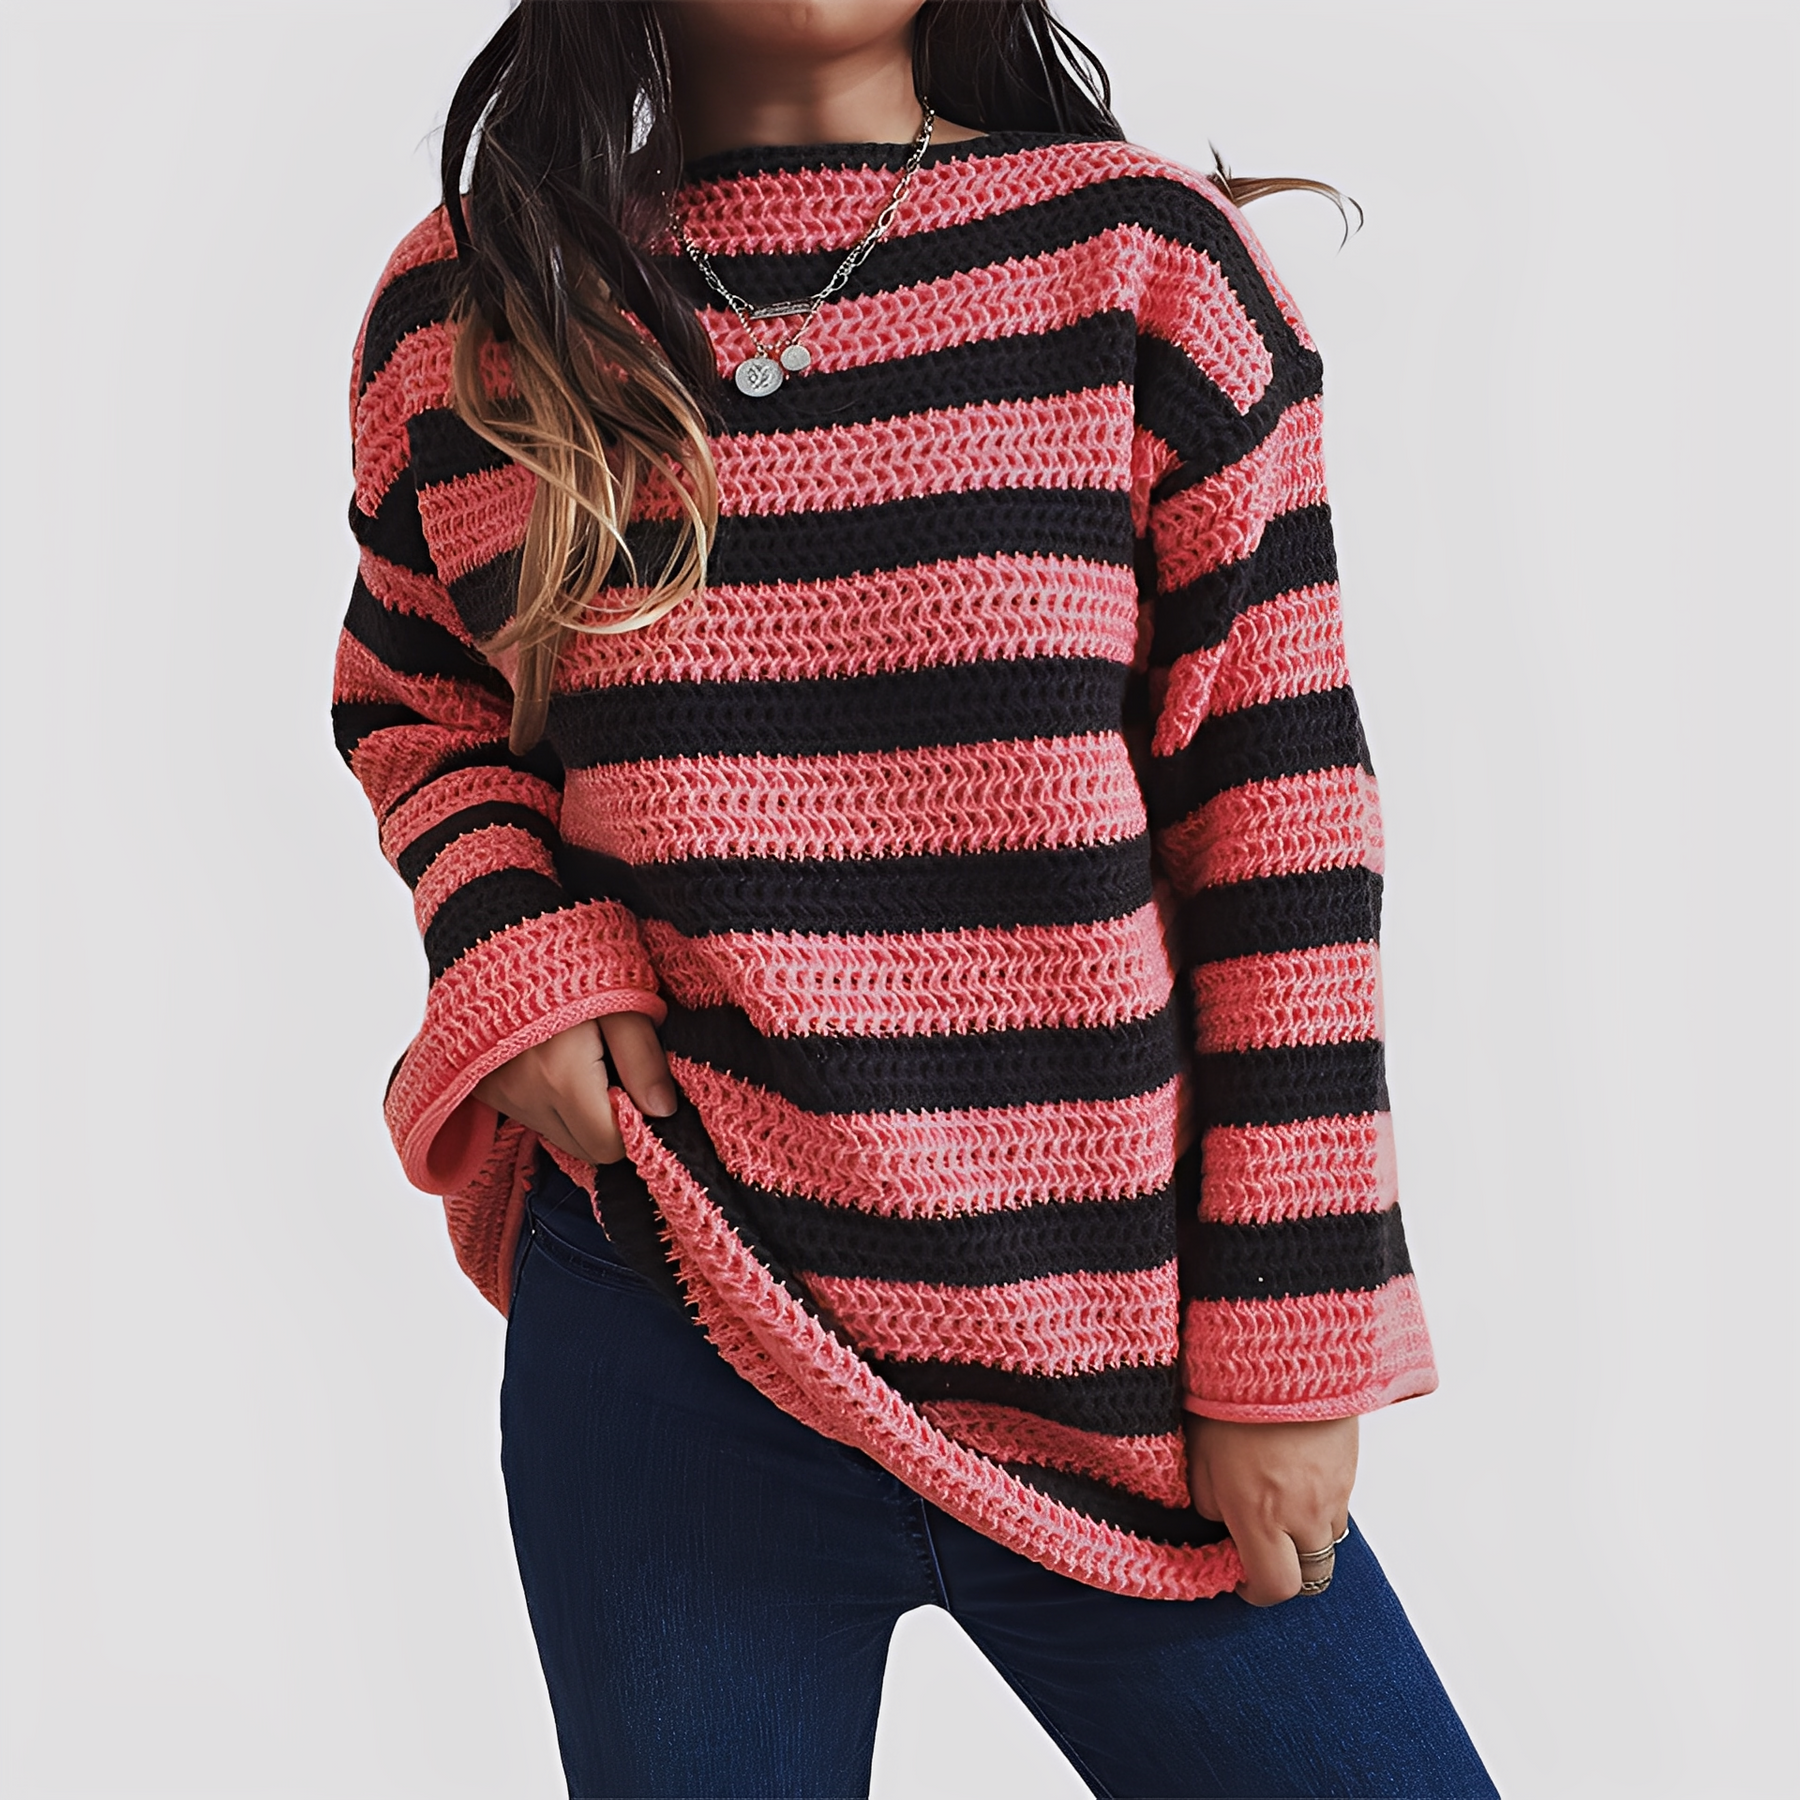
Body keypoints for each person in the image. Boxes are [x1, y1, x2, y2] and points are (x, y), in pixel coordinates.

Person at [334, 2, 1496, 1793]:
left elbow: (1282, 827)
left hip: (1113, 1345)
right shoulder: (480, 306)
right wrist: (525, 950)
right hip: (672, 1313)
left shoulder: (1144, 270)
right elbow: (423, 709)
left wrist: (1288, 1338)